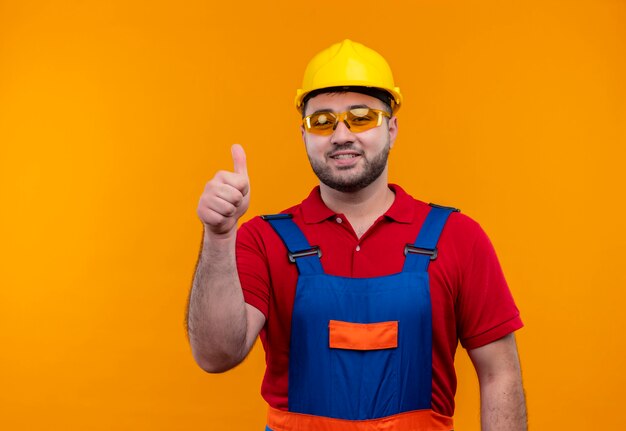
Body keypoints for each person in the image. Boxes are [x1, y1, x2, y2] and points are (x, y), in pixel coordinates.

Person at [187, 39, 527, 431]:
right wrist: (218, 235)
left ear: (392, 128)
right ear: (304, 135)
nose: (341, 135)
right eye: (322, 121)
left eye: (362, 117)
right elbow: (215, 356)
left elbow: (499, 374)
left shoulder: (458, 237)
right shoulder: (263, 240)